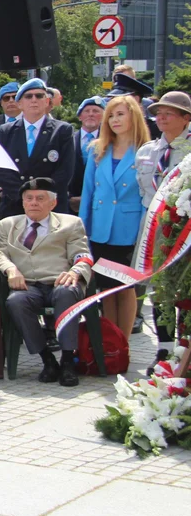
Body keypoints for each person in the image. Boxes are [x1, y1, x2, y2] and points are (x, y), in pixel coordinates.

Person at [0, 177, 94, 387]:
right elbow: (1, 254)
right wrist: (11, 269)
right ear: (22, 202)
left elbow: (82, 255)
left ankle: (68, 359)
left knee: (66, 293)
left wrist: (76, 272)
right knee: (15, 301)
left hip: (60, 281)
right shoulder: (8, 224)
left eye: (40, 198)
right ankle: (47, 359)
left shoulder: (70, 223)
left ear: (52, 203)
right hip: (29, 285)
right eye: (29, 198)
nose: (34, 202)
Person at [79, 96, 150, 339]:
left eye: (120, 114)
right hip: (99, 228)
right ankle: (110, 344)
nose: (114, 120)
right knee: (105, 288)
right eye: (110, 115)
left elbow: (146, 196)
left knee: (125, 287)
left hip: (128, 230)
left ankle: (124, 343)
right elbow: (88, 192)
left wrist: (144, 234)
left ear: (134, 116)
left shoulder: (145, 151)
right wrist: (82, 229)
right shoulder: (98, 149)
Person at [134, 91, 191, 368]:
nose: (161, 117)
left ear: (186, 118)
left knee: (186, 289)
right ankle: (164, 350)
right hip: (156, 230)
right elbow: (143, 191)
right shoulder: (147, 151)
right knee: (160, 288)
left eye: (169, 112)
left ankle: (186, 350)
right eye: (158, 112)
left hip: (186, 230)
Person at [0, 78, 75, 217]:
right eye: (28, 96)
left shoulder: (62, 130)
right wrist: (25, 197)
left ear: (47, 101)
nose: (34, 99)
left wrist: (40, 198)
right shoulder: (6, 131)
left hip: (50, 207)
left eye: (39, 95)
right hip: (15, 207)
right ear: (20, 103)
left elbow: (65, 171)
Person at [70, 96, 106, 213]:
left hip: (100, 204)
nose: (91, 114)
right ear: (80, 116)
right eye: (87, 111)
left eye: (96, 111)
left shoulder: (109, 143)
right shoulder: (68, 140)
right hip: (71, 204)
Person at [107, 72, 161, 140]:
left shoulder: (154, 128)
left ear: (136, 99)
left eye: (120, 98)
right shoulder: (108, 127)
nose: (115, 102)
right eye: (113, 99)